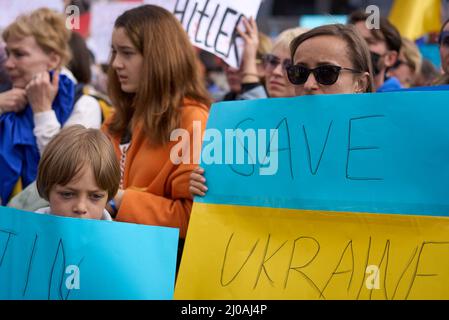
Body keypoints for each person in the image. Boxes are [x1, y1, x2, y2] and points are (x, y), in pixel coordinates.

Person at [190, 24, 374, 196]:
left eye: (326, 73)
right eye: (299, 73)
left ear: (360, 83)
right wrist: (209, 185)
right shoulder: (260, 138)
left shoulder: (385, 145)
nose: (309, 84)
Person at [103, 5, 210, 240]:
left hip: (162, 269)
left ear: (158, 57)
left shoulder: (193, 120)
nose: (116, 63)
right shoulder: (116, 119)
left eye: (127, 53)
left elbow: (193, 217)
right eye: (114, 52)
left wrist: (118, 199)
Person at [0, 8, 102, 205]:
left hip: (47, 227)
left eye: (19, 54)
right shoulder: (8, 98)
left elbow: (68, 171)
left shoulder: (84, 103)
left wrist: (43, 111)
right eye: (8, 54)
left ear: (53, 60)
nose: (9, 64)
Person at [35, 125, 120, 220]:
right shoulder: (26, 231)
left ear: (108, 196)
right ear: (47, 190)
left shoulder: (113, 234)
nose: (80, 208)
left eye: (96, 196)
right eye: (67, 194)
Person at [348, 10, 402, 92]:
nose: (358, 46)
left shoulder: (402, 101)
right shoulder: (335, 96)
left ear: (390, 58)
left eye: (369, 42)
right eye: (353, 41)